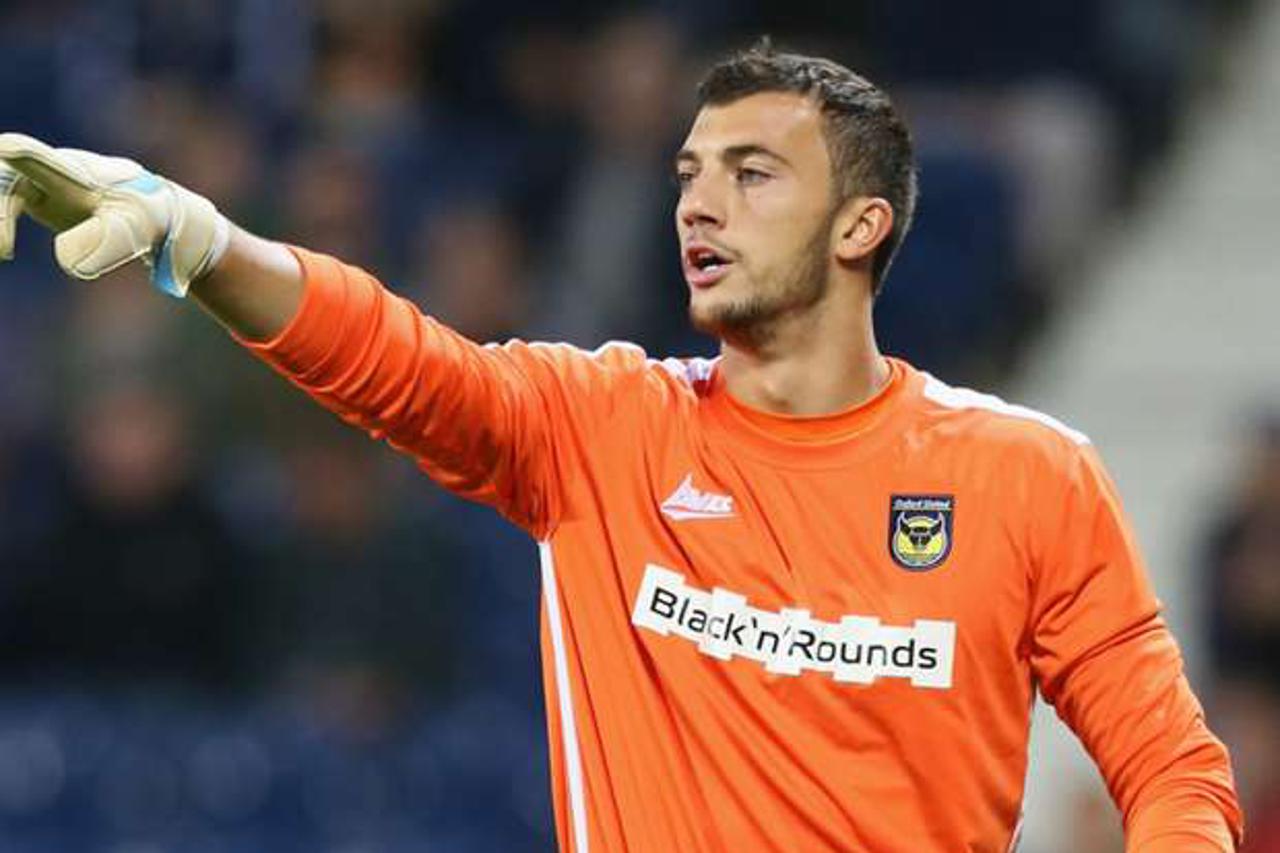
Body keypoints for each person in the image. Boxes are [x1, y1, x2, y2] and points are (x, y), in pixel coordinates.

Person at [0, 42, 1243, 852]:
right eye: (689, 173)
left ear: (860, 224)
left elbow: (1173, 772)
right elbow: (392, 357)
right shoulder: (600, 425)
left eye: (751, 175)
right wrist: (202, 241)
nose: (698, 203)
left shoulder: (1024, 475)